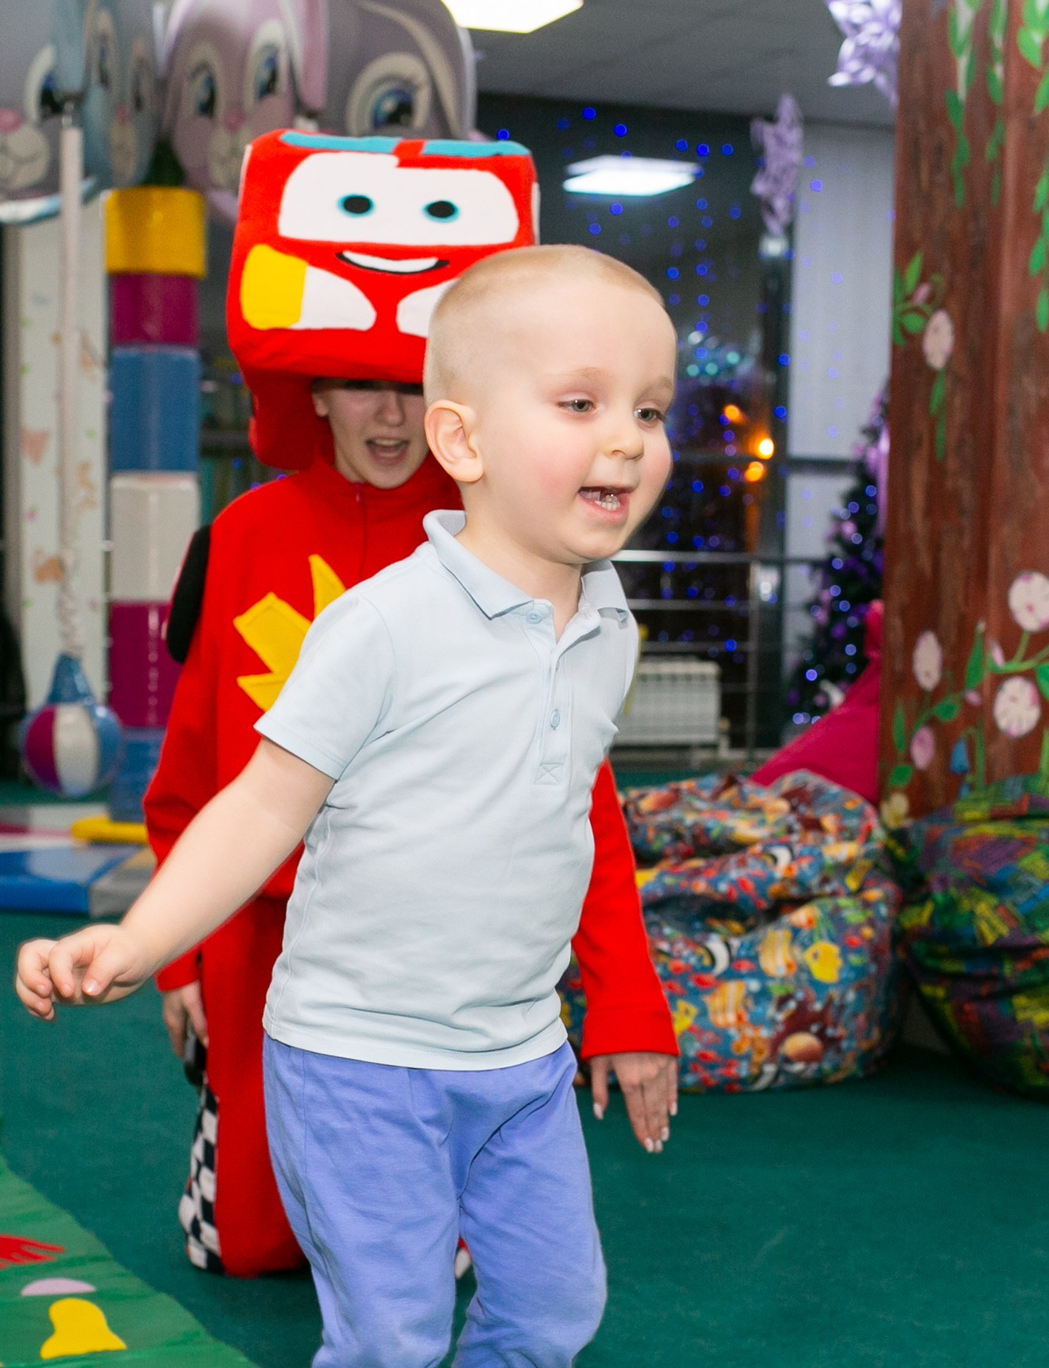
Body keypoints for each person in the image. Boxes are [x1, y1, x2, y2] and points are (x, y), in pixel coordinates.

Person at [19, 246, 677, 1368]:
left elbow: (575, 822)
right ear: (463, 439)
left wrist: (618, 1010)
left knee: (557, 1306)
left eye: (649, 404)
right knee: (388, 1329)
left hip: (512, 1055)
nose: (629, 437)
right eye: (581, 401)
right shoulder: (383, 622)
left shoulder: (606, 622)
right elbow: (257, 809)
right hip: (355, 1054)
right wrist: (142, 940)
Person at [146, 147, 677, 1280]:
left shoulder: (519, 548)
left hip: (451, 957)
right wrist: (175, 956)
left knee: (447, 1260)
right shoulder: (239, 538)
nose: (387, 416)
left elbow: (577, 808)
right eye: (360, 383)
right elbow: (201, 771)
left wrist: (627, 1003)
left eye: (410, 388)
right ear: (313, 390)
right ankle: (238, 1134)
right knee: (246, 1249)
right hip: (270, 928)